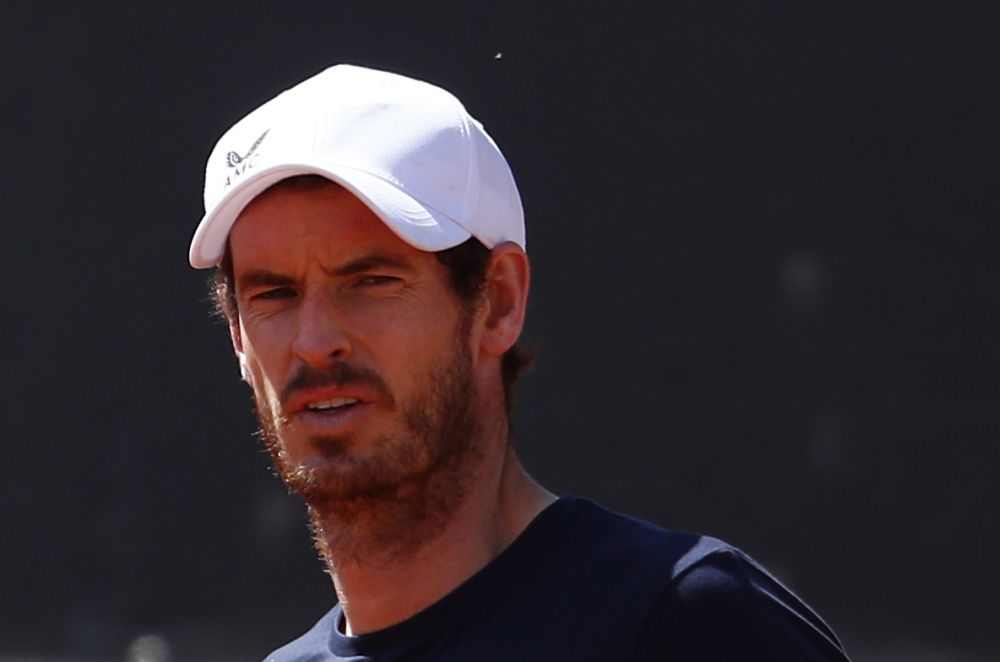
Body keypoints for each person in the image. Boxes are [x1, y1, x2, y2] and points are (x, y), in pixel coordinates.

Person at [188, 64, 850, 661]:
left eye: (372, 280)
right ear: (240, 341)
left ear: (498, 301)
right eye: (274, 293)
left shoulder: (683, 623)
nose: (314, 341)